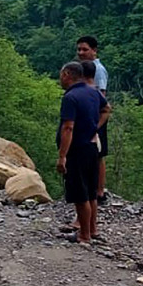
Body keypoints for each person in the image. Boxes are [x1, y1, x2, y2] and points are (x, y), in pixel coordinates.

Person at [57, 60, 102, 244]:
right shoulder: (93, 92)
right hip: (92, 148)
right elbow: (106, 109)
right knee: (91, 193)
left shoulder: (70, 97)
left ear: (67, 74)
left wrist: (62, 156)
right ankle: (91, 230)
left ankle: (84, 236)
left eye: (61, 74)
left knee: (80, 194)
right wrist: (94, 128)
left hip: (77, 150)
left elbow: (68, 127)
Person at [76, 35, 110, 204]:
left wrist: (95, 124)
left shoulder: (99, 70)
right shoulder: (83, 69)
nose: (81, 53)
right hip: (86, 118)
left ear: (94, 51)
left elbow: (101, 97)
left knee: (98, 153)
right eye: (79, 49)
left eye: (85, 49)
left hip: (95, 118)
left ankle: (99, 191)